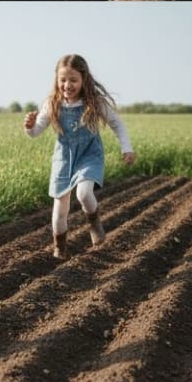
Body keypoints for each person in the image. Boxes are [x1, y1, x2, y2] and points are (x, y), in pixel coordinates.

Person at [23, 54, 136, 260]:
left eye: (73, 80)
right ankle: (60, 248)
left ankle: (94, 222)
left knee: (83, 193)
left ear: (84, 79)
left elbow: (116, 123)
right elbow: (36, 131)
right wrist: (30, 127)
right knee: (60, 208)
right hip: (63, 159)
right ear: (57, 80)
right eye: (63, 80)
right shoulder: (52, 103)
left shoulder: (94, 102)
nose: (67, 85)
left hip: (89, 155)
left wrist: (126, 148)